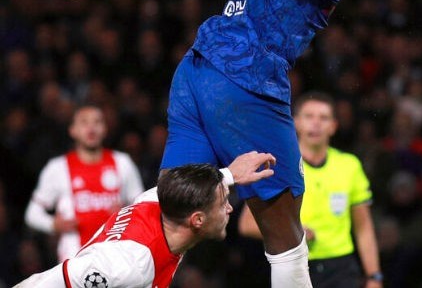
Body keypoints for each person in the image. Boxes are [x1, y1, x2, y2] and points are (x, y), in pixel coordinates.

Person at [58, 0, 422, 286]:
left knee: (178, 213)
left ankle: (65, 279)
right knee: (287, 238)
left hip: (195, 74)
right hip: (246, 81)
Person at [13, 151, 276, 288]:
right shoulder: (128, 264)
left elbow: (181, 185)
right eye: (223, 204)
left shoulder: (159, 201)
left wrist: (229, 175)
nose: (230, 209)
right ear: (197, 220)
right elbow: (41, 283)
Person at [238, 91, 382, 287]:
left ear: (333, 126)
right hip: (293, 263)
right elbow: (247, 225)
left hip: (341, 269)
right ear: (296, 122)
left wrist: (374, 276)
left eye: (323, 118)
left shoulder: (350, 165)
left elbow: (364, 227)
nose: (316, 123)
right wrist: (295, 232)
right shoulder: (277, 164)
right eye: (309, 116)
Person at [24, 104, 145, 263]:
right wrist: (54, 225)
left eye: (97, 122)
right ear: (72, 130)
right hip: (74, 259)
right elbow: (32, 214)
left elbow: (144, 208)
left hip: (117, 258)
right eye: (84, 122)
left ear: (105, 129)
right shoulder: (57, 168)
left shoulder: (123, 163)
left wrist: (125, 212)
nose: (91, 128)